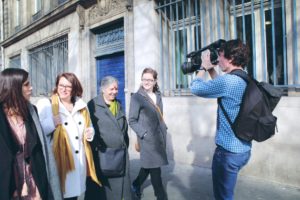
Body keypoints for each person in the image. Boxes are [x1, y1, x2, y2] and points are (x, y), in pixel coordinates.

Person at [190, 39, 252, 200]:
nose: (218, 59)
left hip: (228, 154)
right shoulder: (244, 78)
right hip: (243, 149)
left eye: (221, 56)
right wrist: (211, 70)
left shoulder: (229, 81)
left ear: (230, 59)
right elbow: (222, 87)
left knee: (223, 197)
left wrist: (203, 67)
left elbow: (195, 88)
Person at [0, 68, 62, 200]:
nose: (31, 88)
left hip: (33, 182)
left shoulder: (31, 111)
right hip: (9, 183)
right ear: (14, 87)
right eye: (26, 84)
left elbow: (39, 146)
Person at [37, 72, 101, 200]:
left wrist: (90, 133)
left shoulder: (82, 106)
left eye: (68, 86)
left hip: (78, 163)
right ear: (56, 86)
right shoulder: (47, 104)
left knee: (74, 197)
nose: (64, 89)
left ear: (74, 88)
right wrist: (51, 123)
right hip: (59, 164)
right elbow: (36, 133)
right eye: (61, 85)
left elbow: (89, 126)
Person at [86, 76, 131, 200]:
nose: (115, 92)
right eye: (112, 89)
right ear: (103, 89)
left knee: (122, 189)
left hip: (120, 154)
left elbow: (124, 127)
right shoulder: (93, 105)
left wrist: (125, 144)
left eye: (116, 89)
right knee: (104, 191)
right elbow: (89, 128)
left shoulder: (118, 104)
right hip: (104, 156)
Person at [129, 67, 168, 200]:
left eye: (150, 80)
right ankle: (161, 196)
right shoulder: (136, 97)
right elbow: (132, 120)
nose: (146, 82)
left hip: (159, 138)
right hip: (147, 139)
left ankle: (135, 184)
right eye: (144, 79)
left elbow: (160, 115)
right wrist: (144, 134)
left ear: (155, 81)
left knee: (148, 166)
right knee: (156, 170)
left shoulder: (158, 95)